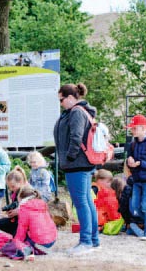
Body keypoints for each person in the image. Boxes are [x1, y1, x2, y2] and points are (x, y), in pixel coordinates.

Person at [53, 83, 99, 254]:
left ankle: (86, 241)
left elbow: (76, 137)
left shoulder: (76, 112)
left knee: (81, 203)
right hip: (80, 164)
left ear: (71, 98)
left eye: (62, 99)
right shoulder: (76, 111)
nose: (61, 103)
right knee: (86, 202)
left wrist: (69, 157)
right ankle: (93, 240)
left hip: (77, 164)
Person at [14, 186, 57, 257]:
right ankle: (39, 247)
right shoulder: (42, 203)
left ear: (21, 198)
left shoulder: (24, 208)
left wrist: (17, 242)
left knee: (20, 243)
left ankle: (32, 250)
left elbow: (21, 231)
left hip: (40, 242)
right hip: (52, 240)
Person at [0, 166, 30, 236]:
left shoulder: (28, 191)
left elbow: (34, 210)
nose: (11, 189)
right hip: (18, 219)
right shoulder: (15, 191)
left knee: (16, 230)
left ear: (20, 182)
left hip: (28, 222)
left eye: (13, 186)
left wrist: (18, 212)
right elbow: (15, 204)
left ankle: (21, 238)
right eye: (9, 187)